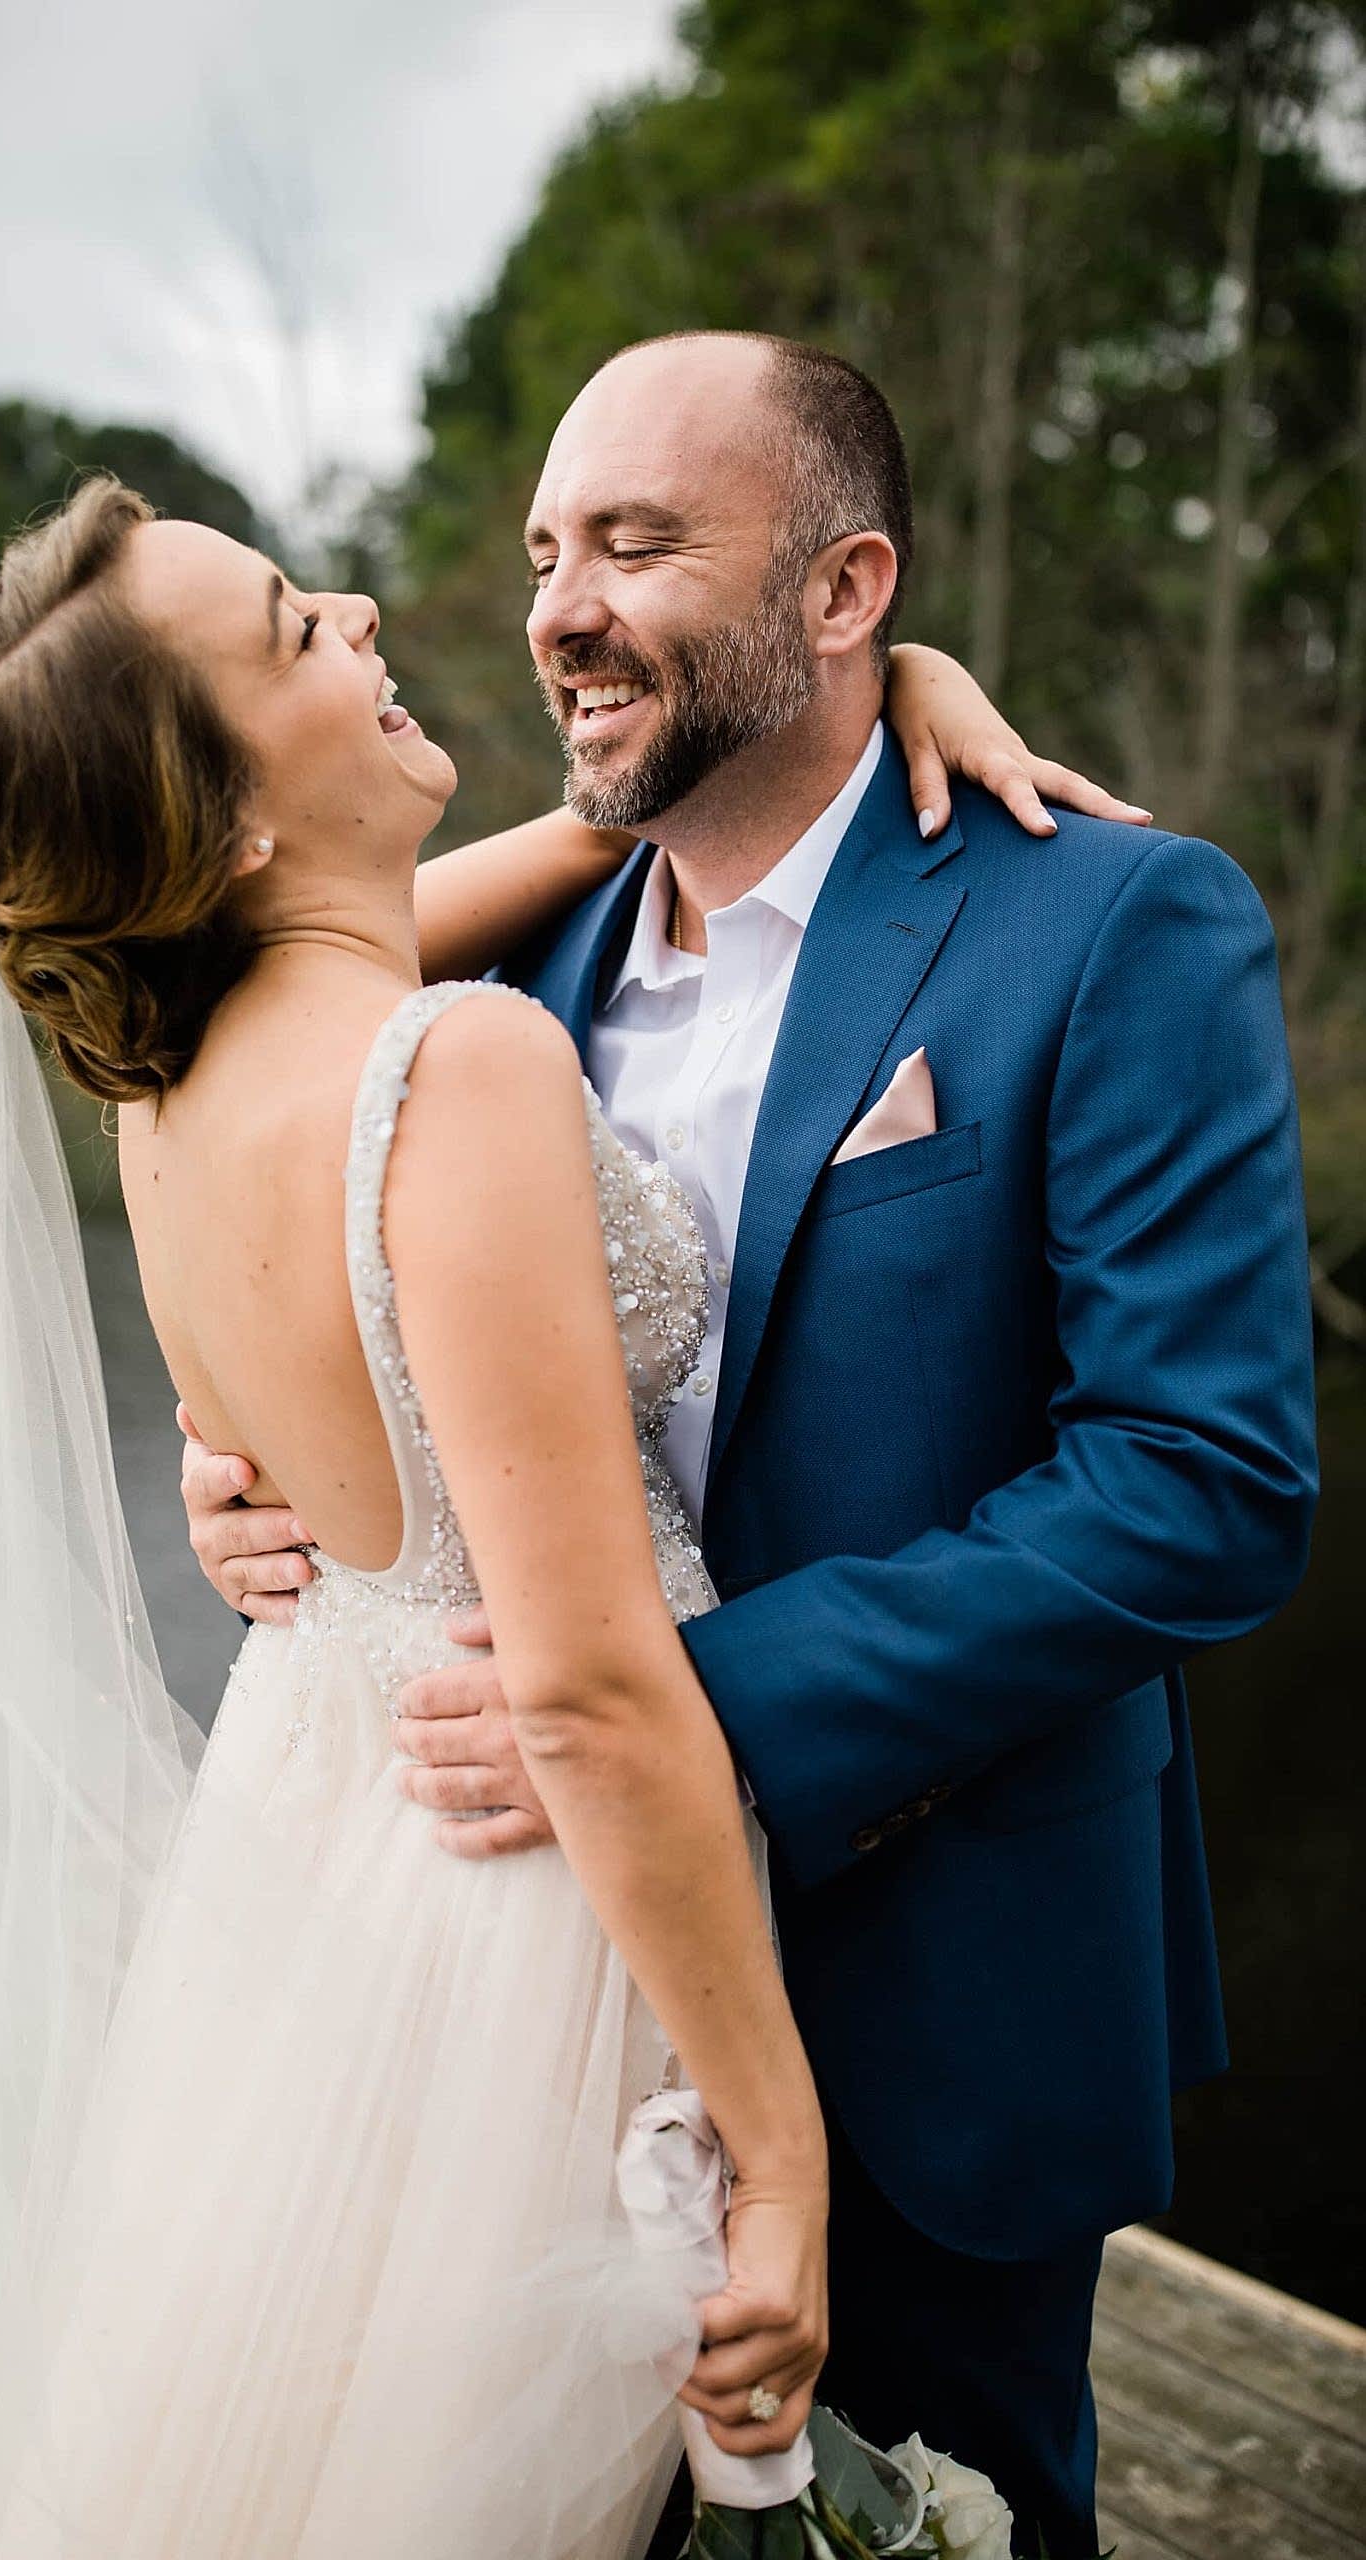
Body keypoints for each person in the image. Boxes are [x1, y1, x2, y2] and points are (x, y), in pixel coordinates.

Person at [181, 332, 1321, 2560]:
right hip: (520, 1996)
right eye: (539, 551)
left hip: (941, 1982)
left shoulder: (1109, 919)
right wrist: (265, 1470)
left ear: (839, 589)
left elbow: (1203, 1482)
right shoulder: (482, 993)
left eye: (633, 540)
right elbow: (280, 1195)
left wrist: (659, 1710)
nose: (552, 608)